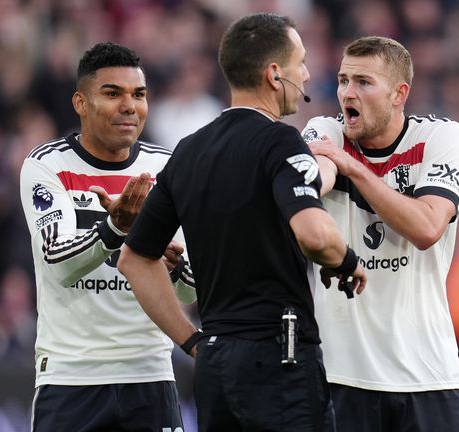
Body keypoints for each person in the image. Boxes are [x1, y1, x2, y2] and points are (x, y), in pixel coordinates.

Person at [117, 13, 366, 432]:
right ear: (274, 74)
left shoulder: (188, 151)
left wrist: (193, 341)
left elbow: (134, 260)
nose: (306, 74)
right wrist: (346, 261)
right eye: (299, 62)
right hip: (279, 361)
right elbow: (314, 235)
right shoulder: (279, 141)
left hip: (214, 366)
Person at [19, 42, 196, 431]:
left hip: (150, 373)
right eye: (113, 94)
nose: (130, 106)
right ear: (81, 103)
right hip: (71, 378)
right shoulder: (47, 165)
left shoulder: (166, 167)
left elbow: (191, 291)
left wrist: (175, 265)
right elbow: (60, 263)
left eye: (139, 94)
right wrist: (115, 229)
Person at [302, 36, 459, 432]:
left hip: (429, 376)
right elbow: (317, 179)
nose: (347, 93)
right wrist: (328, 170)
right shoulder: (324, 130)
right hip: (343, 378)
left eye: (363, 82)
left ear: (399, 94)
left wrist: (355, 168)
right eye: (343, 80)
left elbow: (427, 228)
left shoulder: (439, 138)